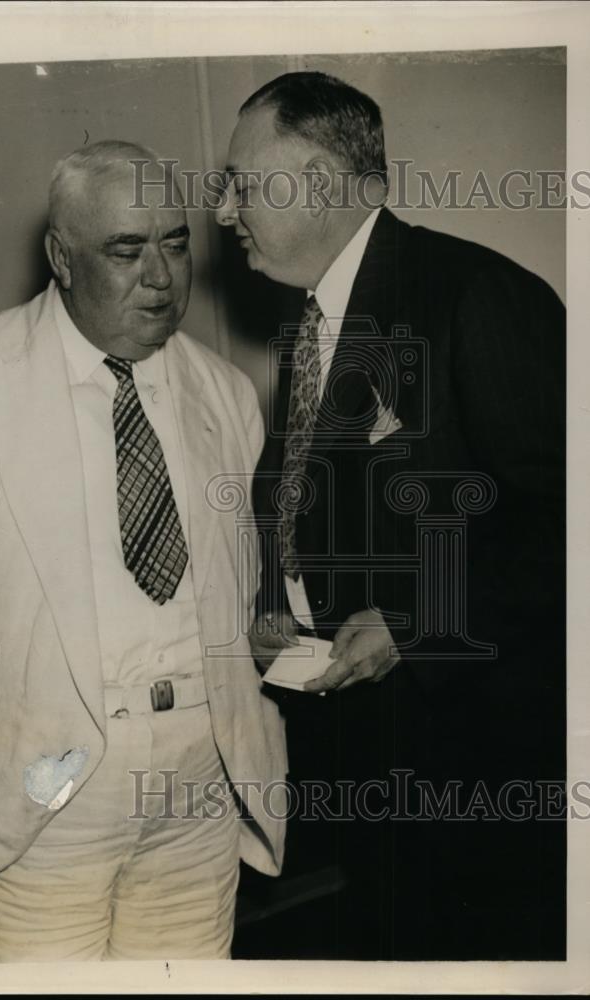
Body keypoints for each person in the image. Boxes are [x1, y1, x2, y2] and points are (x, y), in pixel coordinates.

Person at [0, 140, 287, 963]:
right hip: (40, 792)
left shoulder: (224, 393)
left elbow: (234, 586)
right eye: (126, 250)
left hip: (199, 784)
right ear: (61, 257)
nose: (161, 276)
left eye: (174, 242)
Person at [216, 72, 565, 960]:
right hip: (365, 743)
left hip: (474, 761)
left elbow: (565, 520)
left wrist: (415, 621)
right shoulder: (308, 325)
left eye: (243, 183)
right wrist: (279, 598)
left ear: (324, 180)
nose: (225, 212)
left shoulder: (478, 295)